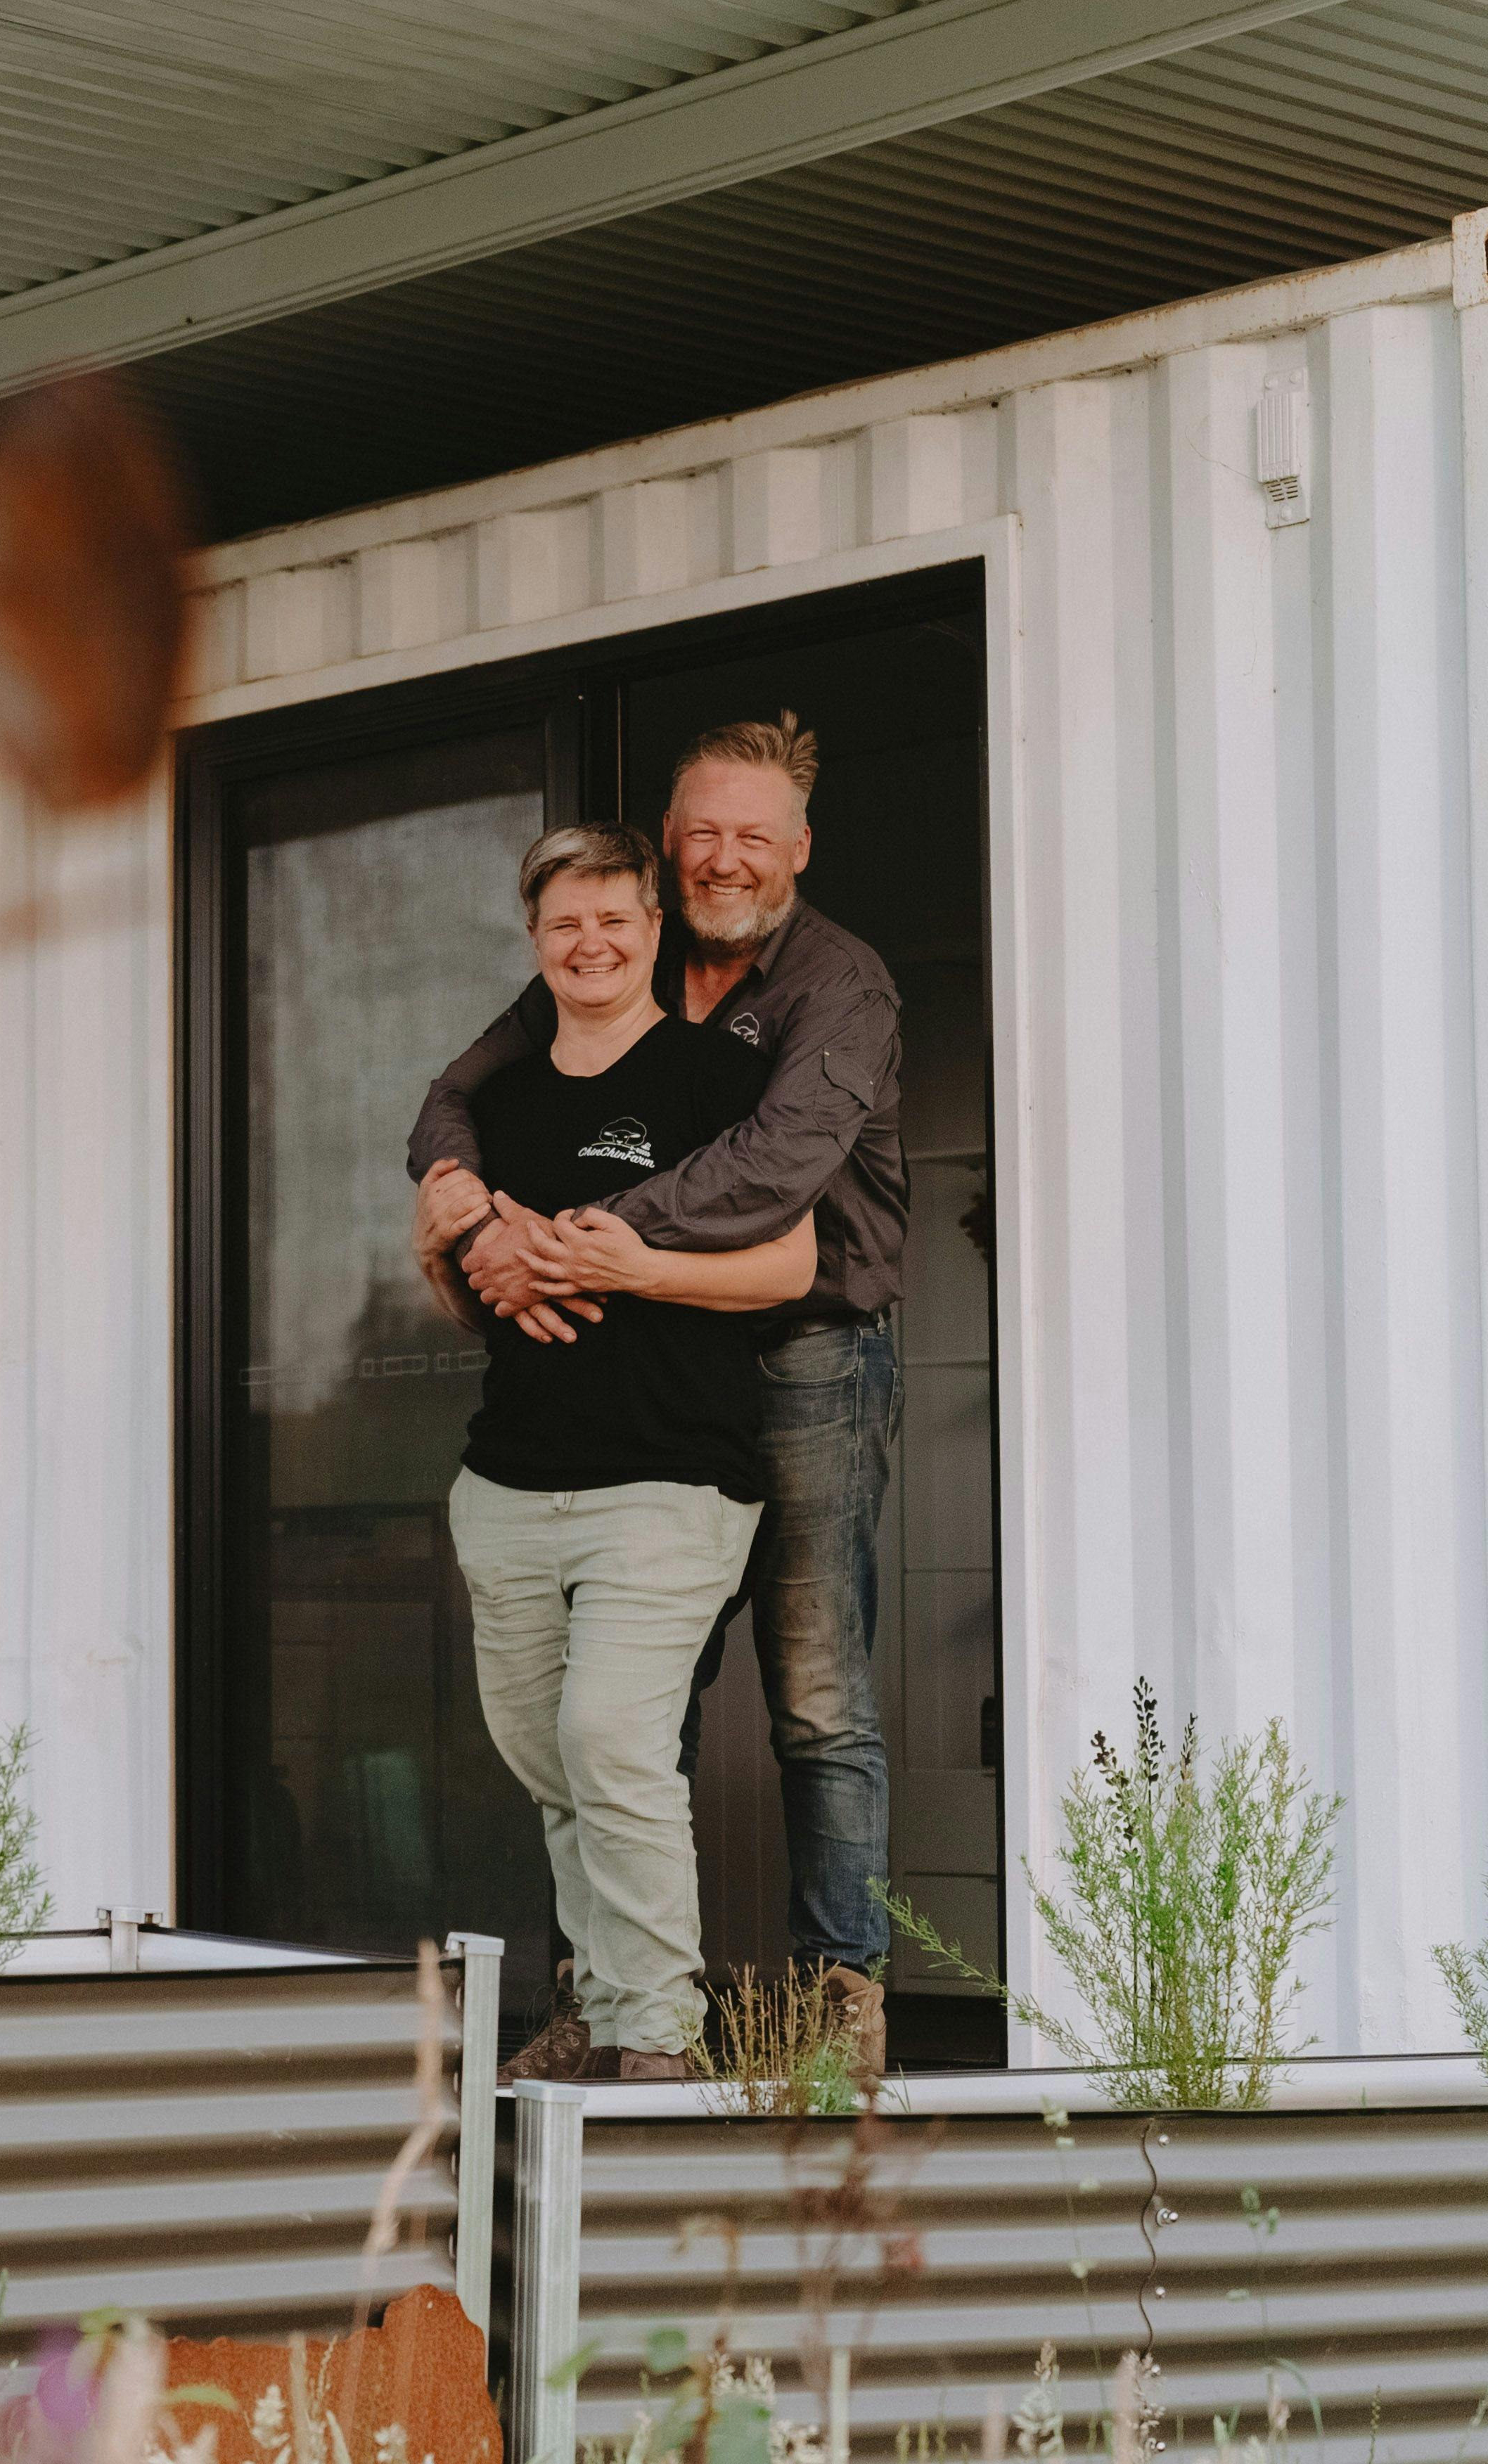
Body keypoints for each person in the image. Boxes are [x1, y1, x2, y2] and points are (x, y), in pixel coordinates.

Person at [408, 714, 909, 2087]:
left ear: (798, 851)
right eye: (701, 829)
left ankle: (835, 1997)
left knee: (814, 1692)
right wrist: (458, 1207)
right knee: (621, 1710)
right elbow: (458, 1098)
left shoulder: (836, 985)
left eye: (754, 833)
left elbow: (768, 1173)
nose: (723, 856)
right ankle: (610, 1991)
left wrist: (574, 1232)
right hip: (629, 1363)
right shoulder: (628, 942)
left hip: (805, 1342)